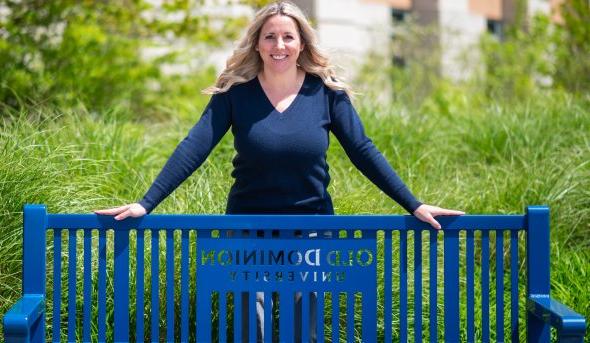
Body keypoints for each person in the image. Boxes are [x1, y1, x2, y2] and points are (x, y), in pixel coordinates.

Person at [96, 1, 464, 341]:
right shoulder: (234, 94)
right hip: (247, 231)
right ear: (257, 44)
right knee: (250, 327)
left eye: (288, 36)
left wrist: (414, 205)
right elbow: (194, 146)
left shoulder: (326, 94)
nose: (279, 44)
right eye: (269, 36)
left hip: (311, 232)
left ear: (301, 44)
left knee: (303, 329)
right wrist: (146, 203)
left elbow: (363, 151)